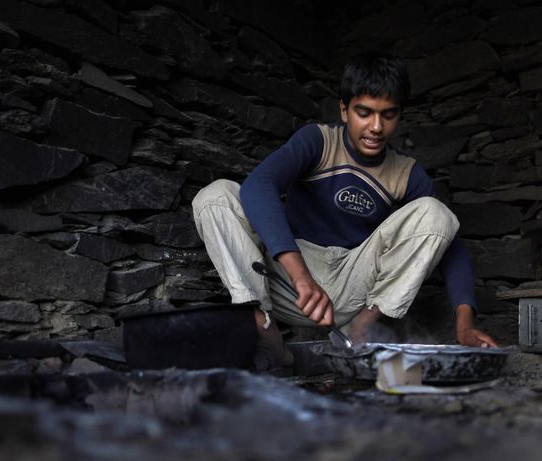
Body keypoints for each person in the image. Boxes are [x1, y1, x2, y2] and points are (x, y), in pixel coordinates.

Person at [192, 51, 497, 370]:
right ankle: (263, 329)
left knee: (437, 215)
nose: (376, 127)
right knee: (216, 196)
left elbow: (451, 247)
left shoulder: (407, 173)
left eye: (388, 115)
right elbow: (259, 186)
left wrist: (465, 325)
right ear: (344, 109)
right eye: (364, 112)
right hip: (287, 283)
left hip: (354, 288)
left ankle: (362, 331)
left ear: (400, 115)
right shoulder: (318, 141)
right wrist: (302, 278)